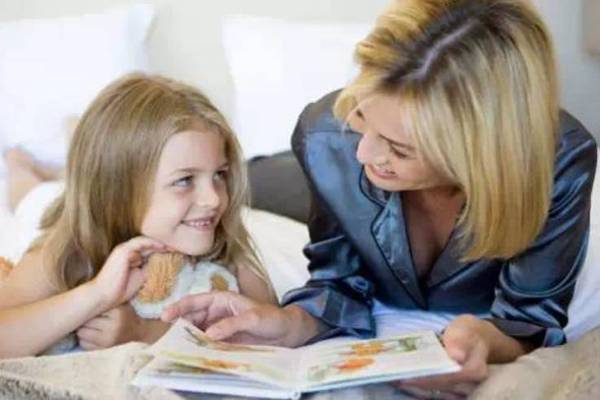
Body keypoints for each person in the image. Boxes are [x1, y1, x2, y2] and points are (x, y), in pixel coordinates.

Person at [162, 0, 597, 398]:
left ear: (476, 152)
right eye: (362, 114)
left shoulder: (559, 161)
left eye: (400, 148)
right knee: (253, 183)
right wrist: (286, 323)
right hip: (283, 176)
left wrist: (484, 338)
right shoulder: (328, 140)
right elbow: (339, 283)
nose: (365, 152)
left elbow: (530, 320)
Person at [0, 73, 275, 358]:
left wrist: (145, 333)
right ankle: (20, 164)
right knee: (30, 194)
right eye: (185, 180)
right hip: (48, 203)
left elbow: (267, 334)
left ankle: (70, 147)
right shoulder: (64, 249)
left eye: (219, 174)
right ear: (117, 187)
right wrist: (98, 294)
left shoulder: (229, 247)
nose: (214, 199)